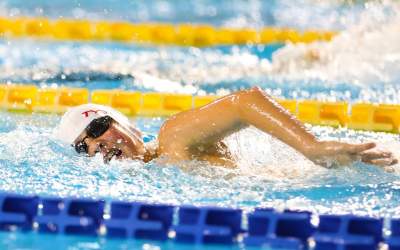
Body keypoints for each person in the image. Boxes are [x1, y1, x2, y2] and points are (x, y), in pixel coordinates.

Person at [55, 87, 397, 168]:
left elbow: (244, 102)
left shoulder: (172, 139)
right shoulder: (155, 168)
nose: (100, 142)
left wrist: (312, 146)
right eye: (85, 146)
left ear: (123, 124)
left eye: (99, 126)